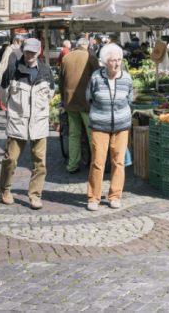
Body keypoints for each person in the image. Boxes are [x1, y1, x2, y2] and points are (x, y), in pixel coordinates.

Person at [0, 38, 55, 210]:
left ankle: (35, 195)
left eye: (33, 52)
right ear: (23, 50)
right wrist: (14, 111)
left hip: (39, 123)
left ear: (39, 52)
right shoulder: (13, 70)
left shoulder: (45, 71)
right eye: (27, 51)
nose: (30, 55)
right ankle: (5, 190)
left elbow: (50, 93)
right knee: (11, 159)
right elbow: (3, 94)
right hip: (18, 122)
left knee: (40, 162)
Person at [85, 42, 134, 211]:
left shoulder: (126, 78)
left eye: (119, 60)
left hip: (121, 125)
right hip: (100, 124)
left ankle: (115, 195)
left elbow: (130, 99)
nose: (117, 63)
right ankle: (93, 197)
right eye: (113, 60)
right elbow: (89, 97)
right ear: (105, 61)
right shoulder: (96, 77)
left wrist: (122, 114)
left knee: (118, 161)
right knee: (98, 162)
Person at [58, 37, 98, 174]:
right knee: (92, 134)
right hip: (86, 102)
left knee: (74, 134)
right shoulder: (90, 57)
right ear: (86, 46)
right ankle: (96, 165)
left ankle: (72, 165)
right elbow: (98, 78)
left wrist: (63, 100)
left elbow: (61, 82)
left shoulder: (66, 58)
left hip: (70, 102)